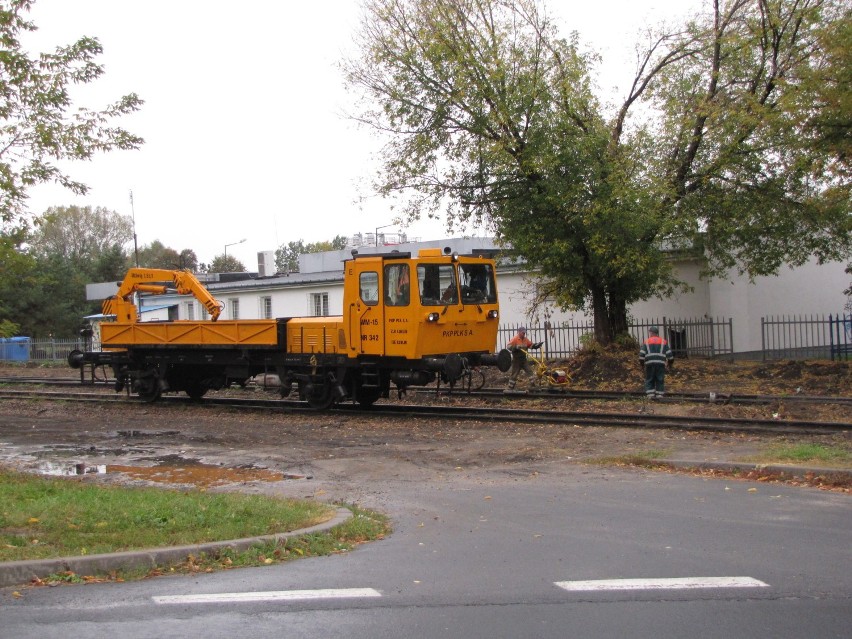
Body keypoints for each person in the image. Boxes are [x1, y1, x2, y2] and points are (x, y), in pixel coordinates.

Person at [639, 325, 674, 398]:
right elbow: (670, 356)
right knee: (659, 379)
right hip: (660, 364)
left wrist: (642, 365)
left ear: (651, 333)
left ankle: (650, 395)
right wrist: (669, 364)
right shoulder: (663, 342)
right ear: (657, 333)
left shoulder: (647, 342)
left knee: (650, 379)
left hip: (649, 364)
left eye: (650, 332)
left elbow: (641, 355)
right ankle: (659, 395)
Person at [505, 326, 540, 391]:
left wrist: (536, 346)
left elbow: (530, 345)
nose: (524, 334)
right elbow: (508, 346)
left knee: (529, 371)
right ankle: (510, 388)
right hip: (516, 360)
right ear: (519, 332)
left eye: (524, 333)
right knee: (514, 374)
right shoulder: (515, 339)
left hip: (523, 359)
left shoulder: (525, 339)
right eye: (523, 333)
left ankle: (533, 385)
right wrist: (515, 347)